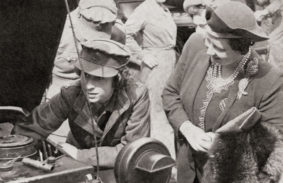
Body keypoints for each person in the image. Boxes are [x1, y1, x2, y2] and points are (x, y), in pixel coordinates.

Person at [162, 2, 283, 183]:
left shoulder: (267, 78)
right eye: (208, 40)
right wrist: (187, 128)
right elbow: (170, 93)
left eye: (219, 48)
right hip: (188, 171)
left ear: (242, 48)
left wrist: (225, 146)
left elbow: (278, 134)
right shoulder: (195, 44)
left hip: (227, 181)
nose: (209, 51)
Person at [13, 39, 150, 168]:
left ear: (117, 79)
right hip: (75, 165)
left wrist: (80, 155)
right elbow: (32, 129)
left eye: (99, 78)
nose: (88, 86)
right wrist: (12, 153)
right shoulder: (72, 93)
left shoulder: (136, 95)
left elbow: (132, 150)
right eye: (86, 75)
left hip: (116, 167)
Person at [124, 0, 177, 157]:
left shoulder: (162, 8)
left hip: (169, 62)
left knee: (168, 108)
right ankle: (161, 160)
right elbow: (125, 35)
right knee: (157, 113)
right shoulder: (145, 8)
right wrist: (143, 55)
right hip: (156, 67)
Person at [45, 0, 126, 101]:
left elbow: (118, 71)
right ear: (79, 17)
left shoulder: (118, 35)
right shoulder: (59, 31)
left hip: (98, 95)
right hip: (60, 93)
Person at [254, 0, 283, 81]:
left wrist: (264, 12)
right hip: (277, 12)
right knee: (275, 43)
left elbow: (279, 2)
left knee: (274, 42)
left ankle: (278, 78)